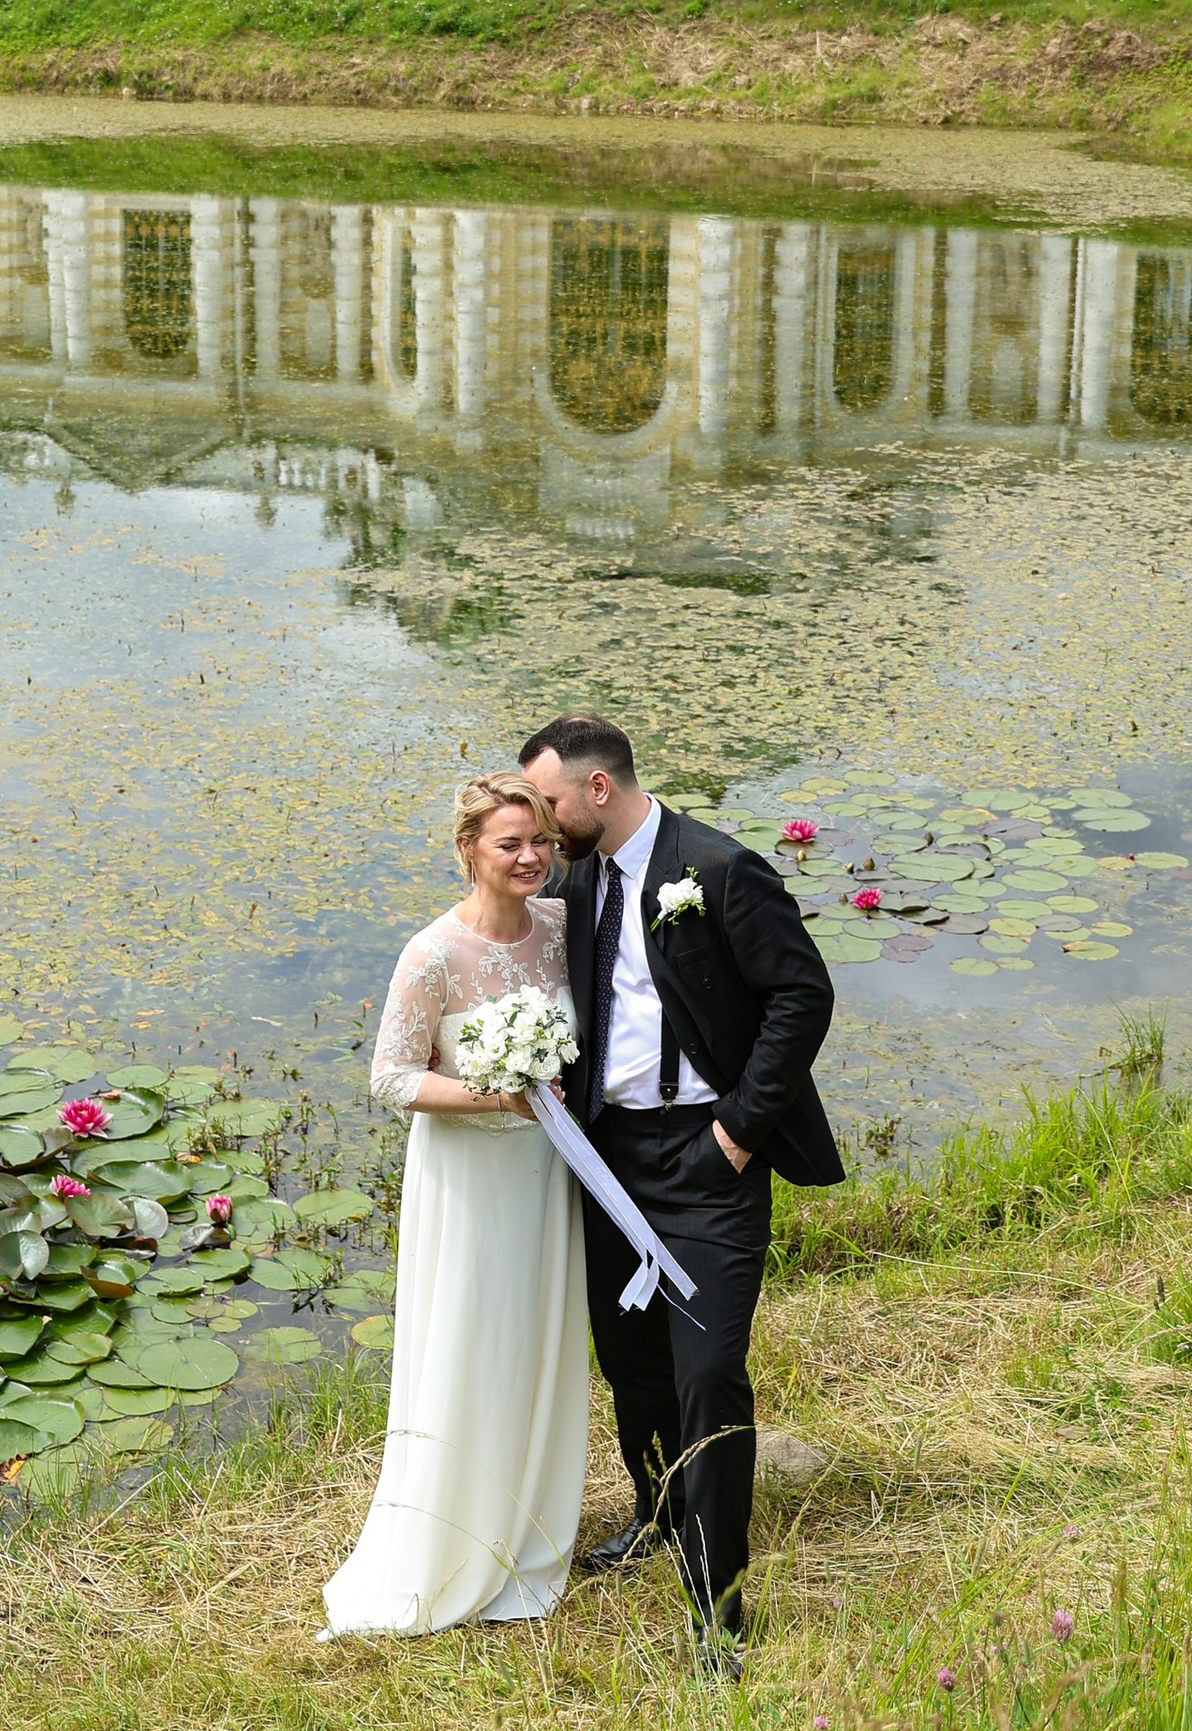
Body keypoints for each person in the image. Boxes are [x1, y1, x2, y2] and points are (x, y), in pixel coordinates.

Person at [518, 715, 840, 1678]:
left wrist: (739, 1131)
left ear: (599, 791)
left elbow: (803, 995)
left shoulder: (722, 870)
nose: (542, 820)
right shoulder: (572, 882)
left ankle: (719, 1605)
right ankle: (657, 1512)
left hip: (708, 1157)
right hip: (607, 1154)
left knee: (707, 1372)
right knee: (632, 1362)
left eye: (550, 801)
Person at [321, 774, 591, 1637]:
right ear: (469, 848)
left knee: (538, 1337)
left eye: (541, 840)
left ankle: (532, 1528)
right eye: (510, 842)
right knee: (473, 1339)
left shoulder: (558, 928)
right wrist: (495, 1093)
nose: (530, 858)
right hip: (470, 1179)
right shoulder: (431, 952)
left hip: (546, 1178)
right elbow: (391, 1076)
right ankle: (454, 1538)